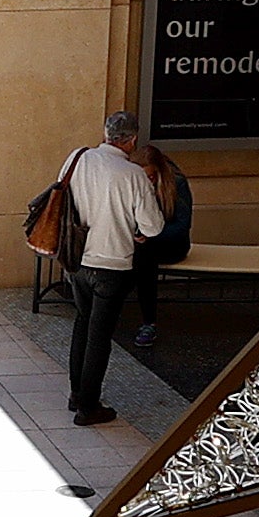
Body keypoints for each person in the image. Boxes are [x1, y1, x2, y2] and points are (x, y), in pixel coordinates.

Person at [47, 110, 171, 427]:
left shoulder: (77, 158)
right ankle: (89, 406)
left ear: (105, 133)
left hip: (76, 258)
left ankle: (76, 394)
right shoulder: (133, 176)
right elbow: (153, 227)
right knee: (99, 336)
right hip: (112, 265)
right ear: (131, 140)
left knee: (82, 323)